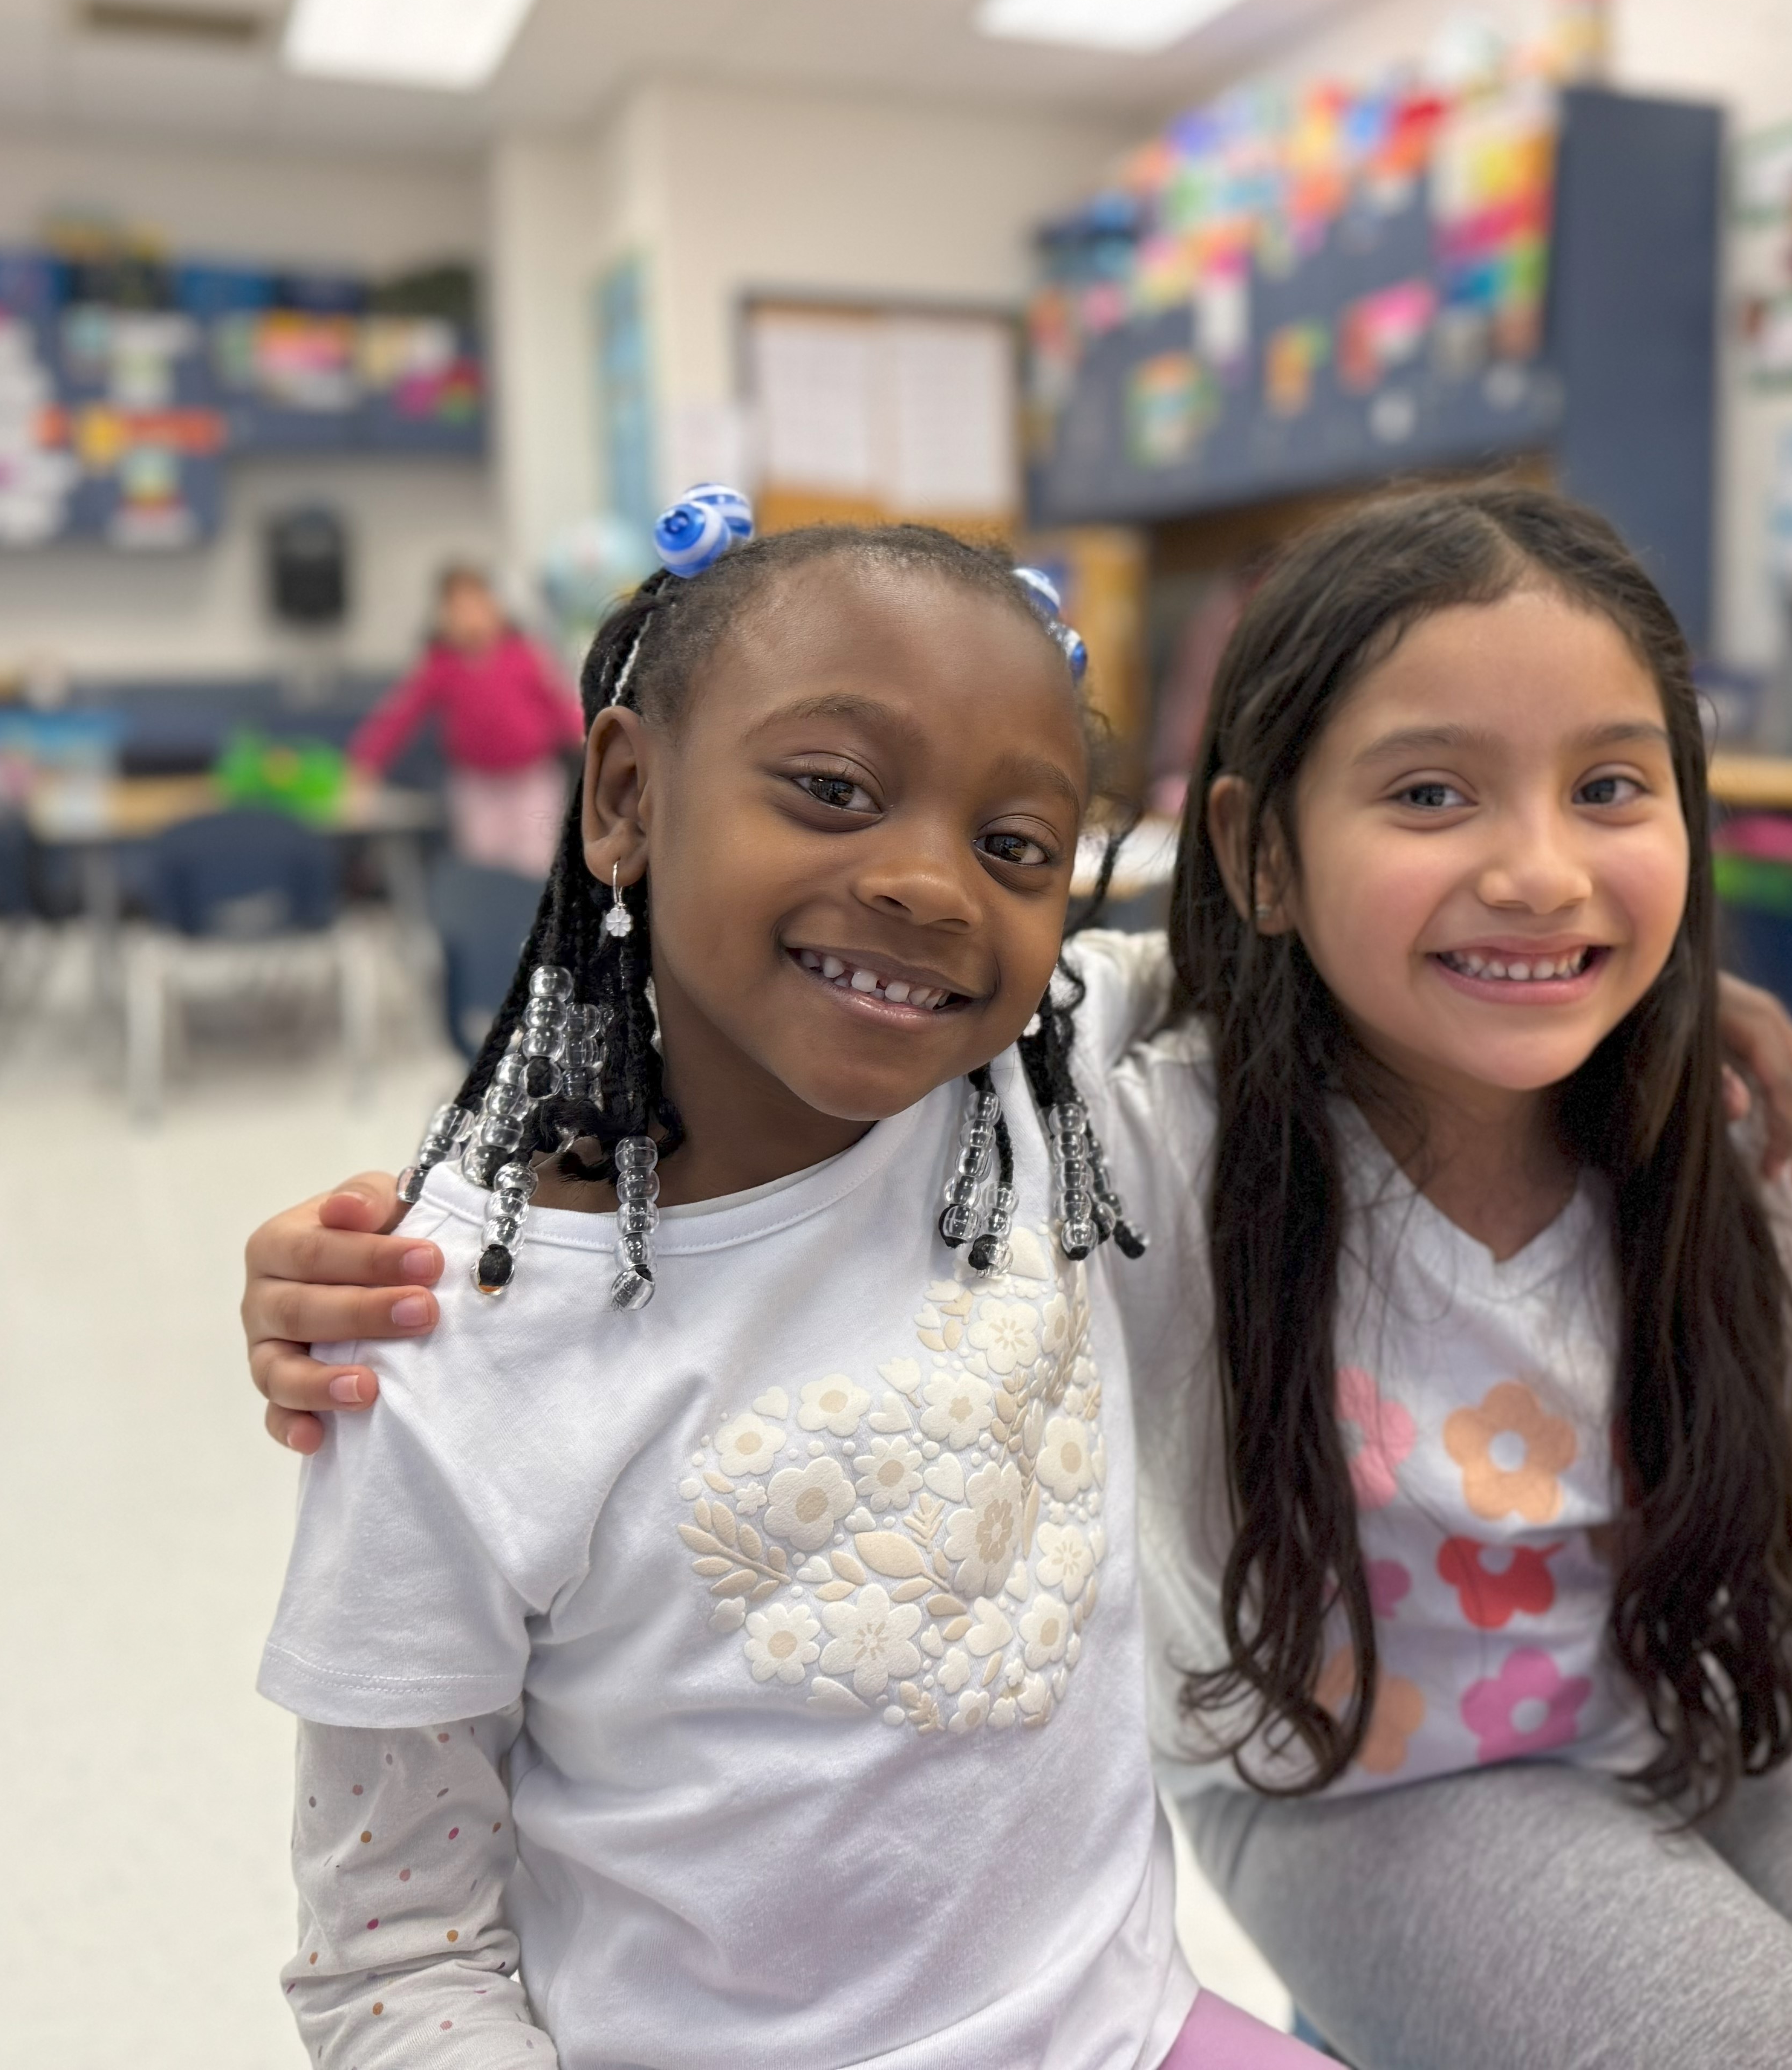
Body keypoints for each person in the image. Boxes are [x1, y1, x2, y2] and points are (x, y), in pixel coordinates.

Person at [249, 490, 1792, 2067]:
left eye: (1611, 790)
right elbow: (771, 998)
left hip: (1711, 1683)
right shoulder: (1126, 1110)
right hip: (1374, 1777)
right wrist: (383, 1247)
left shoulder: (1730, 1138)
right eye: (1433, 791)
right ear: (1259, 856)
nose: (1536, 867)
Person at [261, 490, 1318, 2068]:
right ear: (623, 793)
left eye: (1013, 843)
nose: (929, 886)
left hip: (1128, 2032)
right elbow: (393, 1953)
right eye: (831, 789)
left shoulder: (1023, 1089)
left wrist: (1662, 1011)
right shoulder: (435, 1333)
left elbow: (1261, 968)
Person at [350, 564, 587, 877]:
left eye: (477, 606)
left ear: (495, 608)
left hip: (532, 782)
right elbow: (398, 717)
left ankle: (537, 925)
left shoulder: (525, 655)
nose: (469, 617)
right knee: (484, 866)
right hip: (476, 786)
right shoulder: (440, 667)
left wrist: (592, 739)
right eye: (457, 610)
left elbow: (560, 704)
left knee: (537, 866)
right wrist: (365, 764)